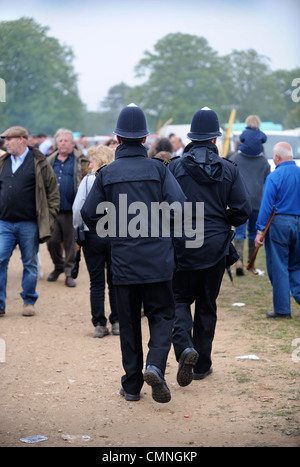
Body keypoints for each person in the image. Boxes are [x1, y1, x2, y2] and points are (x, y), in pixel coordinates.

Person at [81, 104, 186, 403]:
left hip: (124, 262)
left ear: (117, 138)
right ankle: (154, 364)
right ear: (145, 139)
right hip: (158, 261)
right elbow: (180, 208)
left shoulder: (106, 174)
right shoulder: (159, 169)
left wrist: (113, 232)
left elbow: (90, 214)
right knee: (163, 316)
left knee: (127, 323)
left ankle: (131, 386)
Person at [169, 107, 251, 384]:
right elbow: (242, 210)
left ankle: (184, 348)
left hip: (182, 244)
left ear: (191, 137)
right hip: (215, 246)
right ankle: (202, 365)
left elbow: (162, 208)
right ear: (215, 139)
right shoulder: (228, 169)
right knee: (207, 305)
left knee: (179, 300)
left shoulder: (175, 167)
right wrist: (220, 219)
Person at [0, 125, 60, 317]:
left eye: (9, 139)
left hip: (29, 223)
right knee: (0, 259)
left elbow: (53, 192)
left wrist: (49, 216)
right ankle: (0, 304)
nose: (5, 143)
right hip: (4, 223)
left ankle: (28, 300)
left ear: (22, 140)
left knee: (30, 263)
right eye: (5, 139)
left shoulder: (39, 162)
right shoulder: (2, 162)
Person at [72, 145, 119, 338]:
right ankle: (117, 321)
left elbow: (78, 209)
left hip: (92, 235)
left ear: (98, 161)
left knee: (96, 282)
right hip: (115, 234)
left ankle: (99, 323)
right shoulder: (116, 180)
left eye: (92, 160)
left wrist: (78, 228)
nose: (89, 164)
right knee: (115, 281)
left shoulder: (88, 181)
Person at [255, 142, 300, 319]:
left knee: (279, 266)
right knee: (296, 265)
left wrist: (259, 232)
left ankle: (282, 309)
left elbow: (266, 206)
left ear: (277, 157)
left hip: (280, 224)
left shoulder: (275, 176)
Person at [47, 128, 88, 287]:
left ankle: (69, 272)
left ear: (72, 144)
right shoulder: (49, 161)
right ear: (56, 143)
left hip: (72, 210)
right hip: (53, 210)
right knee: (51, 241)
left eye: (66, 141)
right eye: (60, 141)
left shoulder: (80, 161)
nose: (63, 144)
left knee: (71, 243)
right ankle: (58, 266)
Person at [228, 116, 270, 275]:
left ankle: (238, 261)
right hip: (258, 202)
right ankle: (251, 264)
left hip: (240, 201)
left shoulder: (235, 159)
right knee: (253, 232)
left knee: (239, 232)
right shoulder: (264, 162)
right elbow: (268, 182)